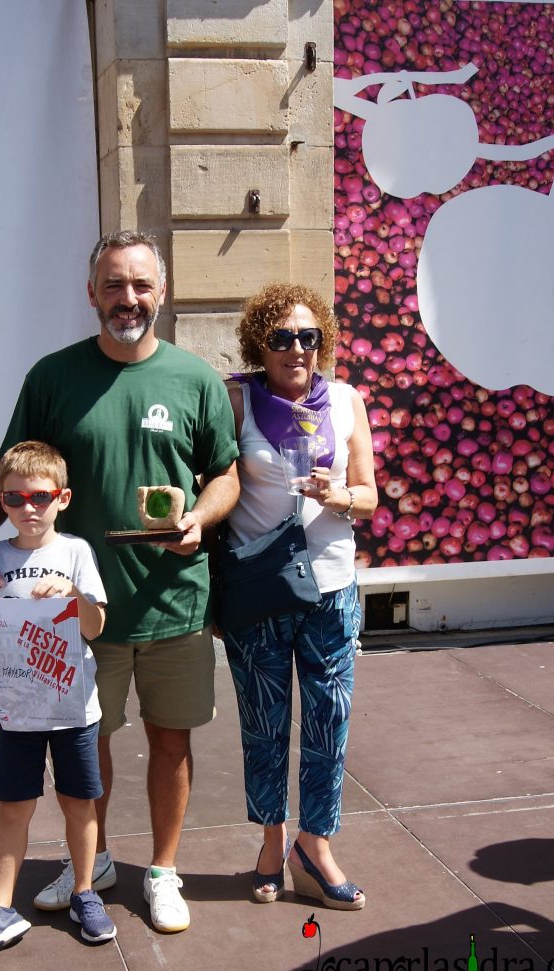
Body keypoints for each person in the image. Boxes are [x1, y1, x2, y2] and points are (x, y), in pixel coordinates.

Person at [0, 231, 239, 933]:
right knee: (91, 745)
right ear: (91, 293)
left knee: (171, 741)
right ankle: (97, 862)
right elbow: (9, 469)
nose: (128, 298)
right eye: (113, 284)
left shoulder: (195, 379)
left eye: (141, 284)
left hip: (174, 600)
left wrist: (200, 518)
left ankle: (164, 871)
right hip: (78, 611)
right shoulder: (53, 377)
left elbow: (225, 475)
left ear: (162, 292)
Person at [220, 283, 376, 910]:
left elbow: (369, 493)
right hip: (260, 587)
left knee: (328, 720)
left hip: (332, 586)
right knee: (263, 723)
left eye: (308, 337)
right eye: (281, 337)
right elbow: (215, 483)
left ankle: (316, 844)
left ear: (323, 342)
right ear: (260, 343)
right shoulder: (236, 400)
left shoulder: (346, 400)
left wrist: (339, 496)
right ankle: (270, 840)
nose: (296, 348)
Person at [0, 441, 116, 960]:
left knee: (79, 804)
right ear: (2, 501)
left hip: (73, 707)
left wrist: (72, 595)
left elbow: (96, 626)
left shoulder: (76, 553)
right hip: (16, 709)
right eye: (14, 499)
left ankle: (84, 891)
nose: (28, 508)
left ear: (62, 498)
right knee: (14, 807)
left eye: (40, 496)